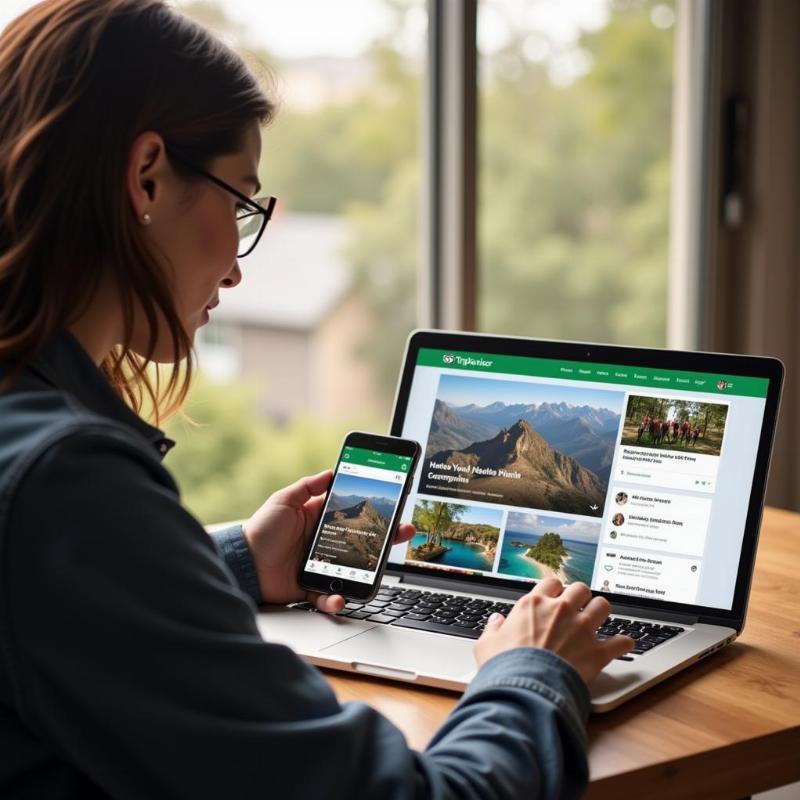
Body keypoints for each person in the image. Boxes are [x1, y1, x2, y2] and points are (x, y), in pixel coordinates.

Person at [0, 2, 633, 798]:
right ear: (146, 174)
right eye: (240, 203)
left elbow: (60, 616)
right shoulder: (67, 483)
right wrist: (533, 671)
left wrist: (232, 563)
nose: (236, 269)